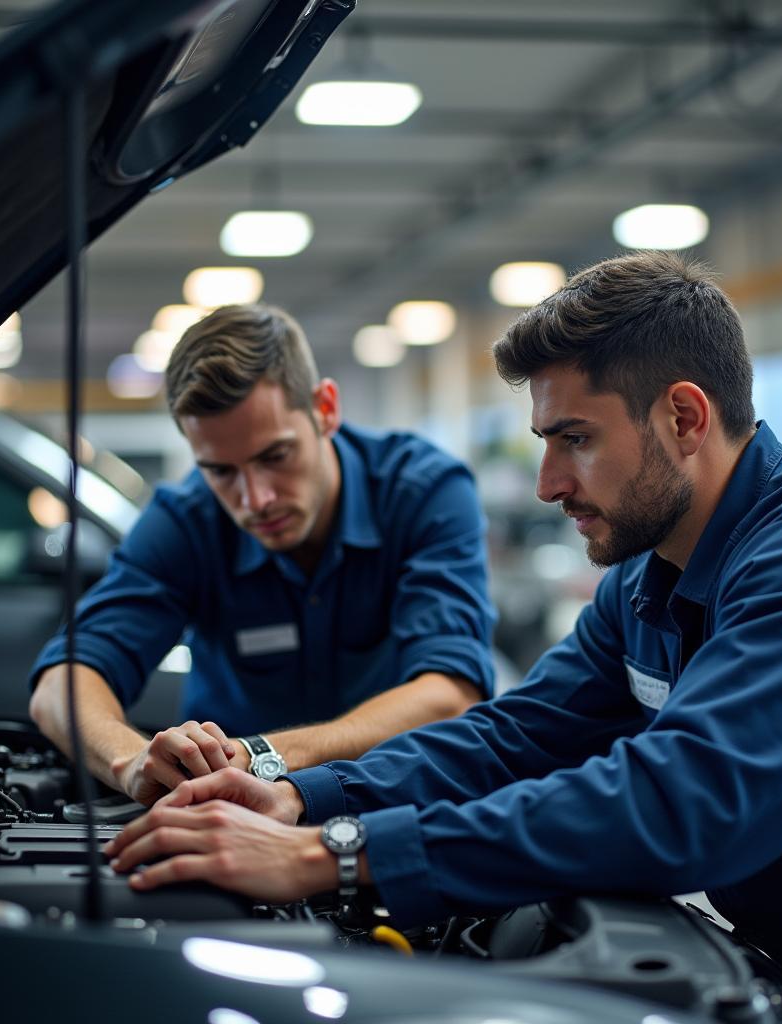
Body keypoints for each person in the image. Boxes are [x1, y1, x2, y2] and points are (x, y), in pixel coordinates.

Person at [105, 253, 782, 1021]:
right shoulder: (645, 584)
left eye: (575, 438)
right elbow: (513, 737)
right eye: (547, 442)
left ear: (685, 416)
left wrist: (336, 854)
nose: (547, 485)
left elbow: (683, 802)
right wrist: (299, 797)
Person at [29, 303, 495, 805]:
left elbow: (450, 693)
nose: (256, 500)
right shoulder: (186, 520)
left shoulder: (422, 490)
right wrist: (129, 761)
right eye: (221, 471)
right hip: (232, 812)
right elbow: (62, 683)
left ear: (326, 408)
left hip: (394, 800)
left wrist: (264, 755)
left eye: (275, 457)